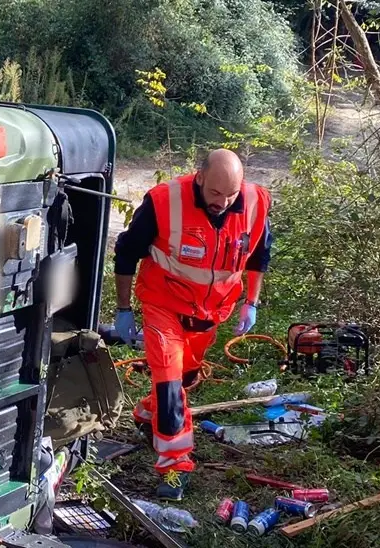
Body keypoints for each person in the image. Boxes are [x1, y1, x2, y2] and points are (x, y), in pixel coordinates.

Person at [111, 149, 272, 500]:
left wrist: (252, 302)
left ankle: (147, 412)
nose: (223, 202)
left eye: (230, 194)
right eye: (215, 193)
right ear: (199, 177)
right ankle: (174, 466)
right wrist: (124, 309)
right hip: (163, 306)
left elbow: (260, 254)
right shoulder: (165, 202)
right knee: (170, 383)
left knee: (183, 379)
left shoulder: (255, 204)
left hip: (210, 314)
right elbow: (126, 252)